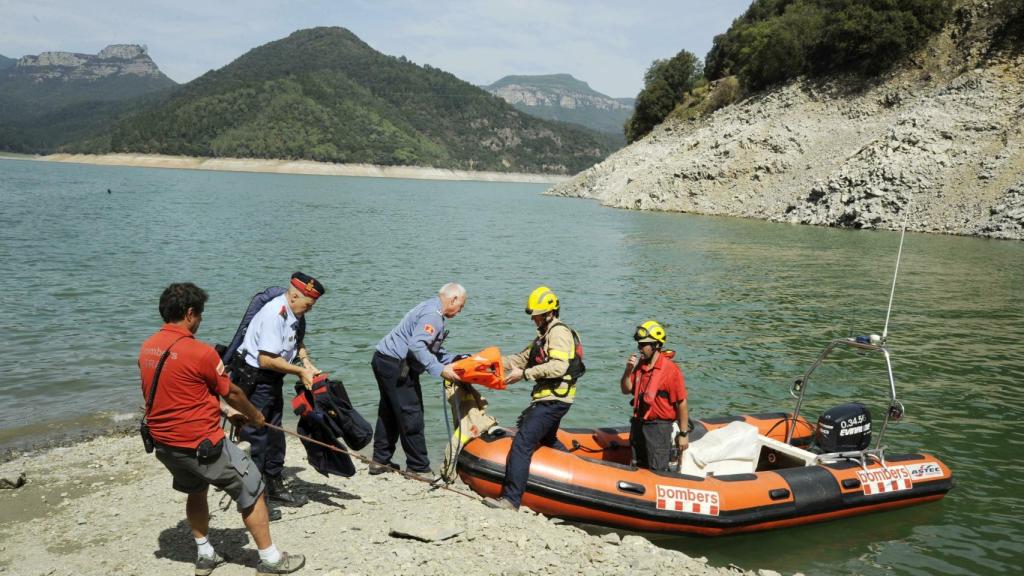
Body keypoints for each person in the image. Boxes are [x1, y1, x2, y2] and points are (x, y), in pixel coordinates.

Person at [138, 282, 304, 575]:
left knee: (197, 489)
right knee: (252, 486)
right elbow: (234, 392)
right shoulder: (200, 353)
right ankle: (271, 560)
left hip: (165, 446)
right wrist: (253, 416)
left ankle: (205, 554)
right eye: (199, 315)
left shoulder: (148, 348)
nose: (200, 321)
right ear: (190, 314)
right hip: (201, 445)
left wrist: (226, 412)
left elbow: (179, 395)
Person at [483, 286, 584, 511]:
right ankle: (577, 473)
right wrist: (492, 363)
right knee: (548, 439)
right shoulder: (543, 336)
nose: (533, 319)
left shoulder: (558, 333)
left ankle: (511, 500)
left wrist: (526, 374)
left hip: (554, 400)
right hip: (549, 398)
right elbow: (521, 359)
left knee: (522, 442)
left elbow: (559, 367)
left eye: (537, 315)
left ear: (550, 313)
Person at [235, 272, 324, 508]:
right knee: (256, 437)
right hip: (256, 380)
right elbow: (266, 359)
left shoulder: (293, 312)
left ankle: (273, 484)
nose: (310, 309)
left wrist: (305, 362)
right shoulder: (275, 313)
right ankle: (254, 499)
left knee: (274, 434)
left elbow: (295, 339)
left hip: (272, 380)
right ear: (295, 295)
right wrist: (299, 373)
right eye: (308, 304)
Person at [369, 283, 466, 477]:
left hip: (383, 360)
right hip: (396, 365)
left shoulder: (430, 307)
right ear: (453, 299)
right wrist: (440, 370)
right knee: (411, 414)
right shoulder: (433, 316)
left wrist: (456, 360)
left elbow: (430, 347)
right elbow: (417, 346)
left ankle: (380, 461)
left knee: (389, 412)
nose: (460, 311)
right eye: (461, 306)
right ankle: (418, 467)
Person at [620, 320, 688, 471]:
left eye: (643, 345)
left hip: (659, 428)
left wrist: (683, 434)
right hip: (638, 424)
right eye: (639, 344)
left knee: (657, 468)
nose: (639, 348)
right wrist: (628, 370)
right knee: (637, 465)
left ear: (656, 345)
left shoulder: (670, 370)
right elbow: (626, 390)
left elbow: (681, 403)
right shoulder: (640, 366)